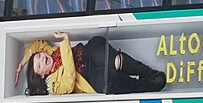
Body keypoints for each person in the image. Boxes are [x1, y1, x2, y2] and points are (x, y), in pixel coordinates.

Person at [17, 31, 166, 96]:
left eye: (40, 57)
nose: (43, 59)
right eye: (39, 65)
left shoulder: (48, 52)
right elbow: (70, 78)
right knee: (110, 80)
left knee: (114, 60)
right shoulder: (53, 86)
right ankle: (146, 86)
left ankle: (149, 73)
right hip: (88, 77)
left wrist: (23, 62)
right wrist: (65, 42)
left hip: (88, 54)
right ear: (42, 75)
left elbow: (37, 45)